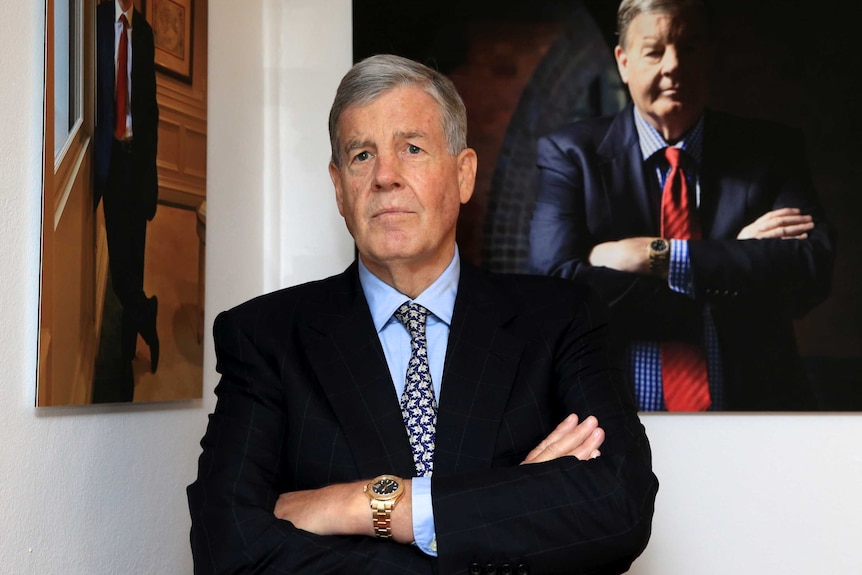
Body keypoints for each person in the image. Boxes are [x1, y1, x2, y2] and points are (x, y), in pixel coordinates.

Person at [188, 54, 657, 574]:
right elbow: (225, 550)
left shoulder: (561, 318)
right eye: (361, 155)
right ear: (339, 188)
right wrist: (511, 501)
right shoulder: (264, 337)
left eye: (411, 148)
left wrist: (369, 505)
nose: (385, 176)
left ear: (463, 175)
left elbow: (619, 507)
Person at [529, 0, 835, 412]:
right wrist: (732, 267)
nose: (673, 65)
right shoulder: (571, 155)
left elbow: (810, 269)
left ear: (709, 55)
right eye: (654, 51)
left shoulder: (770, 151)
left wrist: (654, 255)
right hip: (611, 419)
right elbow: (555, 282)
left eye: (689, 47)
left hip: (755, 416)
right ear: (623, 62)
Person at [94, 0, 160, 398]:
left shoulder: (145, 32)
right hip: (112, 160)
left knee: (135, 260)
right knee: (120, 268)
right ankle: (145, 315)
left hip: (139, 162)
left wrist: (152, 177)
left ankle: (124, 357)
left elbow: (149, 108)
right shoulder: (100, 19)